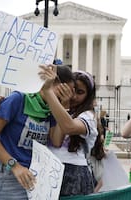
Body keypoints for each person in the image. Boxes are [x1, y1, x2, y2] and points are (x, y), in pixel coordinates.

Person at [0, 65, 75, 200]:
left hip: (35, 176)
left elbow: (56, 141)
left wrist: (64, 106)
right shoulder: (18, 99)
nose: (68, 95)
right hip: (9, 175)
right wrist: (15, 166)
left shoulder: (52, 109)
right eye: (65, 90)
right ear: (52, 81)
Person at [40, 66, 98, 196]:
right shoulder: (56, 109)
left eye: (80, 92)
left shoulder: (88, 116)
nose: (73, 96)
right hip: (51, 169)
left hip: (74, 171)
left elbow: (69, 127)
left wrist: (62, 104)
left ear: (88, 96)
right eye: (71, 90)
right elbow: (56, 141)